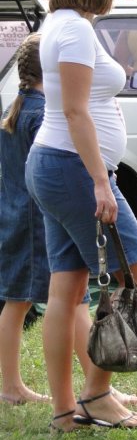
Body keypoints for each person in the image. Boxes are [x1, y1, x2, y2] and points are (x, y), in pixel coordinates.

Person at [25, 0, 137, 431]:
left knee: (68, 291)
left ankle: (65, 411)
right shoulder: (77, 31)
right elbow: (75, 110)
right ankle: (96, 393)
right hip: (73, 169)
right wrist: (101, 182)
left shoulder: (61, 23)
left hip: (54, 165)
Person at [0, 34, 50, 405]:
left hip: (15, 214)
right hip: (34, 219)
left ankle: (12, 385)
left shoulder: (16, 110)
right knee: (19, 303)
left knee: (18, 303)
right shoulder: (42, 113)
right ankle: (12, 387)